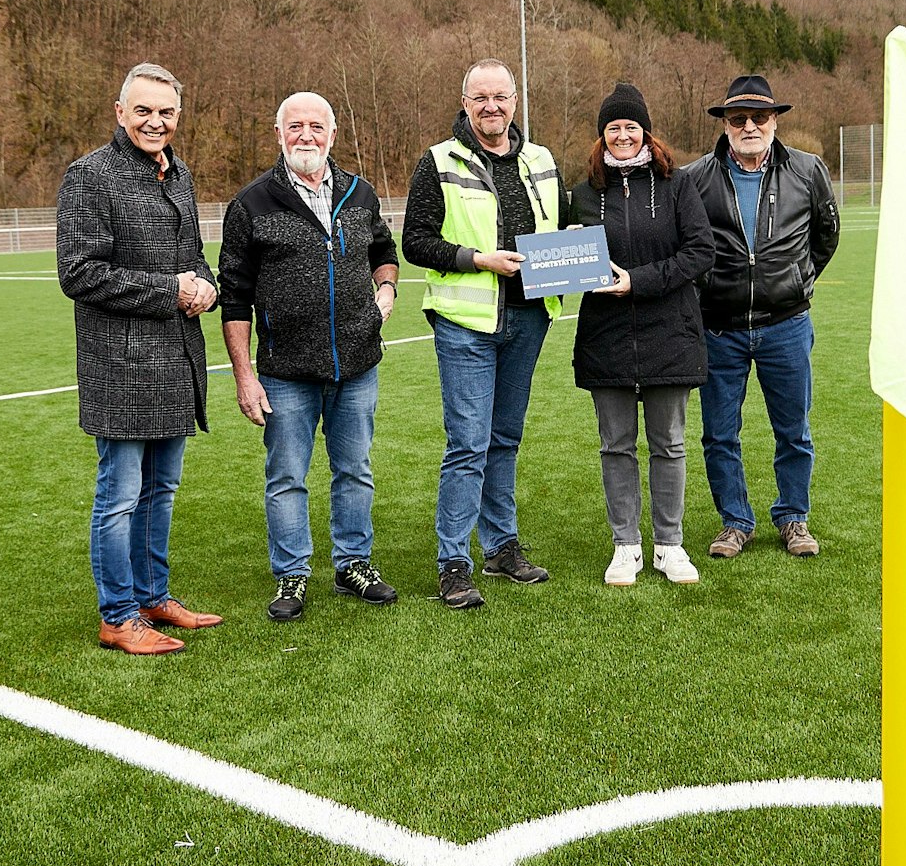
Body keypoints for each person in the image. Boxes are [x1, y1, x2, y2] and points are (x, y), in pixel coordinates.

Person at [56, 62, 224, 655]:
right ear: (120, 112)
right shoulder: (89, 177)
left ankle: (153, 597)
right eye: (145, 111)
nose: (157, 122)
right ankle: (118, 616)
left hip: (178, 361)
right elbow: (78, 273)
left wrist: (206, 284)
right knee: (120, 495)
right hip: (120, 366)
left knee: (162, 492)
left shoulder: (179, 175)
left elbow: (193, 256)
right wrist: (169, 291)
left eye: (167, 112)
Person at [219, 92, 401, 622]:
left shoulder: (359, 192)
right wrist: (244, 375)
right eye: (294, 126)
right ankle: (292, 573)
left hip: (358, 365)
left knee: (355, 470)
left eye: (316, 126)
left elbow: (384, 251)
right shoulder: (252, 204)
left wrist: (385, 291)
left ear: (332, 134)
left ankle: (352, 564)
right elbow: (234, 295)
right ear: (278, 134)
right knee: (287, 477)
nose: (306, 135)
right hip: (285, 372)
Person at [402, 58, 572, 609]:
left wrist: (577, 259)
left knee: (505, 439)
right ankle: (454, 561)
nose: (492, 106)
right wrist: (478, 259)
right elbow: (416, 242)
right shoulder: (439, 162)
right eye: (481, 98)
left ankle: (500, 546)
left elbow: (566, 226)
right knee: (468, 444)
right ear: (465, 102)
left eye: (501, 96)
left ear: (515, 100)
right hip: (466, 324)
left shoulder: (542, 160)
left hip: (529, 318)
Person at [682, 74, 840, 560]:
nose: (749, 126)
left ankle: (794, 518)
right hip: (720, 327)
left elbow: (826, 237)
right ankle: (735, 522)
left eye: (759, 117)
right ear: (725, 125)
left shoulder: (808, 170)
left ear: (775, 121)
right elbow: (686, 246)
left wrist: (796, 280)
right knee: (719, 433)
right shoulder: (695, 178)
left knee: (793, 428)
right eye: (738, 118)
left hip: (786, 324)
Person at [568, 83, 715, 586]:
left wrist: (639, 281)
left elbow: (700, 252)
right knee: (615, 445)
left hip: (668, 332)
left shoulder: (677, 185)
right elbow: (565, 259)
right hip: (605, 336)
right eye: (614, 127)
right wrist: (565, 251)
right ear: (602, 135)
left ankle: (669, 545)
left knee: (669, 442)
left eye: (631, 126)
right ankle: (626, 545)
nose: (623, 135)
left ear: (646, 132)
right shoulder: (583, 193)